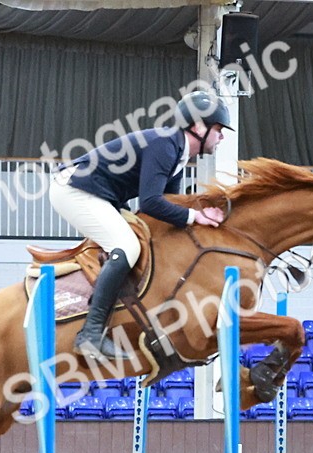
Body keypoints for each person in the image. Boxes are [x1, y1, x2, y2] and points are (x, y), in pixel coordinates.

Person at [49, 91, 231, 362]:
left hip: (100, 194)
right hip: (75, 190)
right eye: (218, 129)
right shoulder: (165, 145)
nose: (222, 137)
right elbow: (150, 202)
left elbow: (166, 207)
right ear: (198, 127)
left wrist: (203, 216)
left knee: (147, 241)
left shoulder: (177, 154)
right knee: (126, 246)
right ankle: (91, 333)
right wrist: (196, 216)